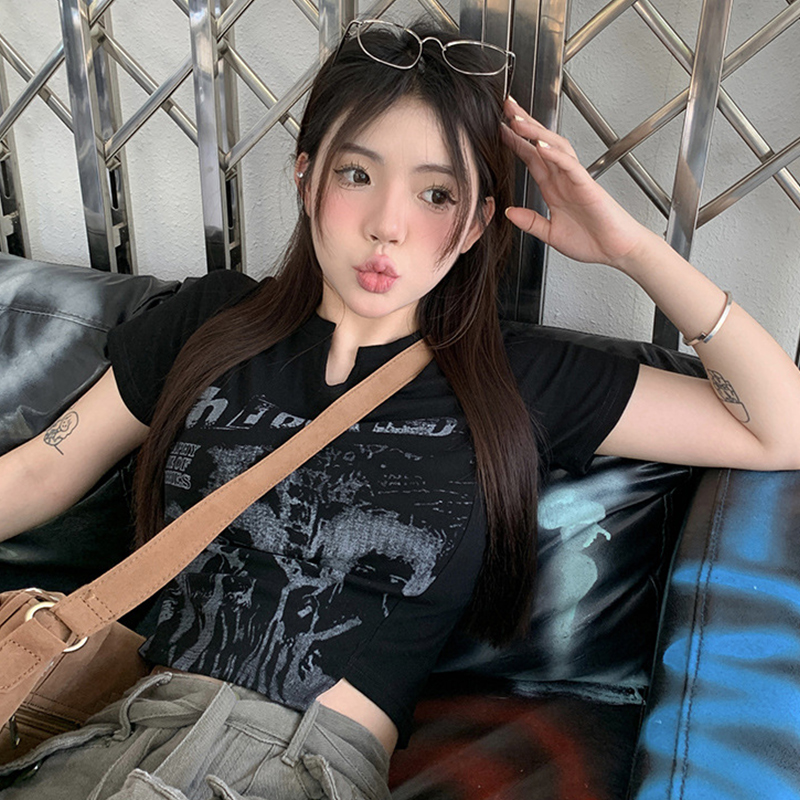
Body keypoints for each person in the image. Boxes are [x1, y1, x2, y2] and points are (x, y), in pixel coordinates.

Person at [1, 17, 799, 800]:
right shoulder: (211, 321)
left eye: (436, 193)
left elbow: (781, 429)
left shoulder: (517, 377)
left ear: (477, 223)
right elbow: (39, 472)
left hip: (298, 768)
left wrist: (632, 250)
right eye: (357, 175)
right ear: (306, 178)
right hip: (115, 734)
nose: (388, 225)